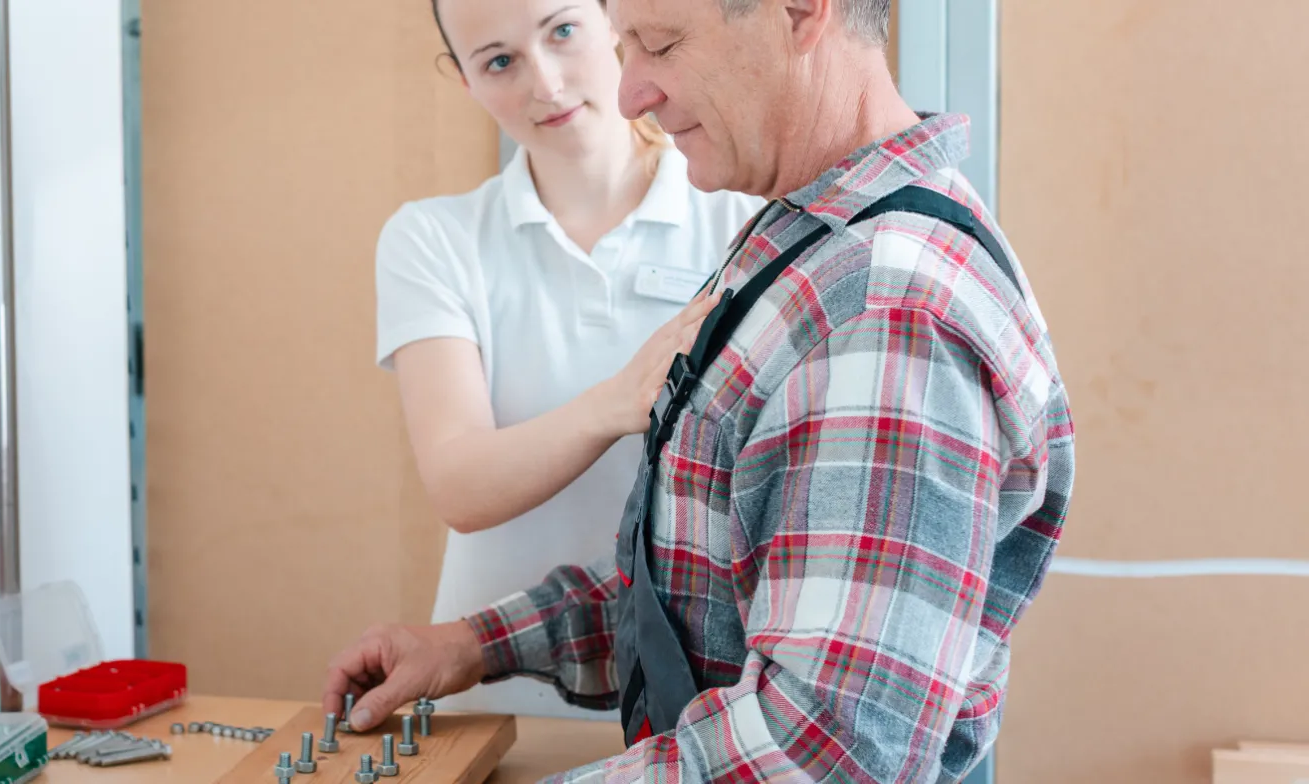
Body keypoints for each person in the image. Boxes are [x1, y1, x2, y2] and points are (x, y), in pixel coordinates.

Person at [332, 0, 1077, 780]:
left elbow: (821, 753)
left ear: (798, 11)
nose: (630, 93)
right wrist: (479, 645)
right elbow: (701, 584)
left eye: (660, 44)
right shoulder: (798, 242)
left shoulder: (884, 310)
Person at [374, 0, 764, 719]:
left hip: (691, 705)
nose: (545, 84)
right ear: (464, 81)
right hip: (491, 692)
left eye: (562, 32)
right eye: (498, 61)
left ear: (616, 23)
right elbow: (461, 486)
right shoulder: (434, 239)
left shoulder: (739, 217)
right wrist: (615, 403)